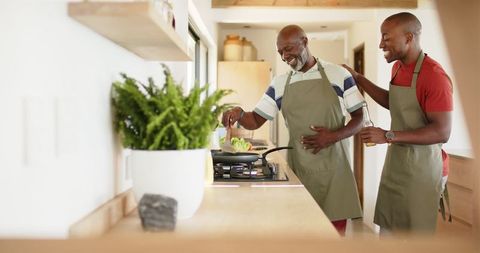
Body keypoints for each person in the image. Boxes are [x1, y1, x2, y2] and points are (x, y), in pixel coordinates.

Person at [222, 25, 364, 236]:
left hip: (335, 172)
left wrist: (332, 136)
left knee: (332, 239)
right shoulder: (279, 83)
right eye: (280, 52)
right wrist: (240, 112)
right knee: (302, 238)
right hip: (300, 171)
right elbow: (256, 120)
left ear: (305, 42)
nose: (284, 56)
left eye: (288, 49)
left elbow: (360, 119)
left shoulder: (338, 74)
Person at [342, 12, 453, 235]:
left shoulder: (434, 76)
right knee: (388, 232)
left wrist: (388, 136)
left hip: (424, 169)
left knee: (416, 239)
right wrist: (359, 79)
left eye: (386, 37)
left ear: (409, 37)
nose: (381, 43)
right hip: (398, 164)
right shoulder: (398, 68)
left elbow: (442, 132)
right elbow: (396, 103)